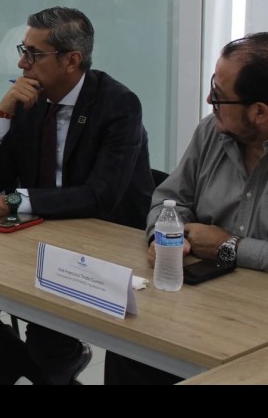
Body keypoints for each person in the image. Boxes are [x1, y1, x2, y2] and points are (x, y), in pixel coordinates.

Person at [0, 6, 154, 385]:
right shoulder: (30, 98)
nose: (22, 63)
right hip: (40, 233)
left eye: (34, 54)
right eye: (24, 50)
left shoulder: (118, 104)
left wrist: (12, 202)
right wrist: (2, 115)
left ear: (72, 60)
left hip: (102, 242)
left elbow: (100, 196)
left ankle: (48, 367)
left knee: (46, 337)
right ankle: (32, 375)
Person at [105, 32, 268, 385]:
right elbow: (170, 201)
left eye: (219, 95)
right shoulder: (212, 131)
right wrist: (165, 237)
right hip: (201, 302)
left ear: (259, 111)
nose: (209, 99)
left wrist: (231, 247)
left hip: (258, 327)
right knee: (128, 349)